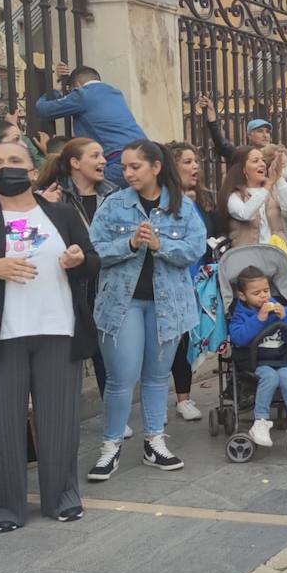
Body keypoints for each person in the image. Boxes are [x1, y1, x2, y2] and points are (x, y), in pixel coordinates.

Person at [0, 140, 99, 532]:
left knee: (59, 424)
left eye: (15, 160)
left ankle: (62, 498)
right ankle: (3, 508)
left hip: (57, 330)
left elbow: (92, 261)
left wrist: (78, 260)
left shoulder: (61, 214)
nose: (6, 167)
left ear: (32, 170)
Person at [86, 140, 207, 481]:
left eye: (134, 167)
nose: (127, 173)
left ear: (155, 167)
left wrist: (160, 245)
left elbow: (195, 249)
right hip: (121, 303)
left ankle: (155, 441)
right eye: (124, 167)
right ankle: (110, 446)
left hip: (169, 305)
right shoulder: (114, 205)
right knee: (121, 378)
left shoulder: (181, 207)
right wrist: (130, 243)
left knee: (157, 376)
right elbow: (94, 250)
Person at [34, 138, 118, 397]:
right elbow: (33, 240)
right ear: (74, 162)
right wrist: (41, 204)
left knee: (106, 352)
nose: (103, 161)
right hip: (67, 284)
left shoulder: (113, 194)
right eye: (95, 156)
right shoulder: (52, 196)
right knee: (69, 351)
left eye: (103, 155)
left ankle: (111, 409)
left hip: (105, 282)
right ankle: (60, 408)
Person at [230, 265, 287, 450]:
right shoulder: (240, 314)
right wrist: (260, 318)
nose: (264, 296)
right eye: (256, 293)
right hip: (256, 361)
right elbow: (238, 338)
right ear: (242, 296)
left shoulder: (278, 306)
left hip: (281, 358)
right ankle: (260, 421)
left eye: (266, 290)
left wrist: (286, 316)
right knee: (270, 377)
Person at [35, 64, 147, 187]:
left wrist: (57, 91)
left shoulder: (82, 94)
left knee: (78, 186)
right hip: (145, 154)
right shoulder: (115, 92)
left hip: (118, 162)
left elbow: (43, 109)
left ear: (77, 86)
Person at [166, 141, 215, 422]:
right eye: (187, 161)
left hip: (197, 281)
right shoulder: (164, 201)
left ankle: (184, 398)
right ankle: (163, 398)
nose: (195, 166)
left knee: (186, 341)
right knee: (167, 343)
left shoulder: (199, 200)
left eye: (195, 161)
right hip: (172, 282)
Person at [220, 145, 287, 247]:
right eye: (255, 161)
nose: (262, 164)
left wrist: (278, 178)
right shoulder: (235, 195)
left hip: (276, 256)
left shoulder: (273, 189)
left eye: (263, 160)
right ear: (243, 169)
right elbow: (245, 213)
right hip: (248, 259)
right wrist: (268, 184)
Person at [198, 95, 272, 162]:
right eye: (260, 131)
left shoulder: (275, 154)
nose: (265, 135)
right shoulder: (243, 153)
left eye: (267, 132)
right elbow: (222, 145)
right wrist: (212, 114)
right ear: (249, 135)